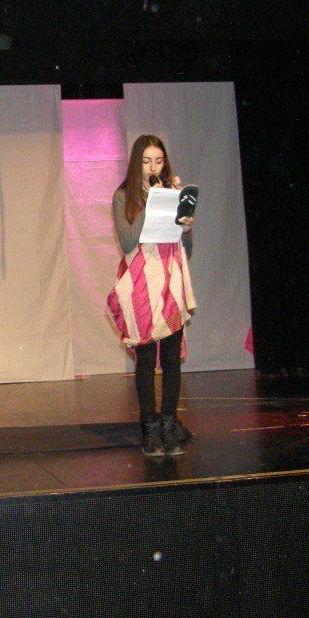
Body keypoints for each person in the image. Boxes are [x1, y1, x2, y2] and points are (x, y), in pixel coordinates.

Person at [107, 135, 196, 457]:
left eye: (158, 161)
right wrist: (153, 203)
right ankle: (150, 427)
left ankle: (169, 424)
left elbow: (186, 250)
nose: (153, 167)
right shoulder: (123, 196)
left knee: (171, 359)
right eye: (146, 162)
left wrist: (186, 229)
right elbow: (128, 241)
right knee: (146, 359)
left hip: (170, 279)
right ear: (136, 164)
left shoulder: (174, 193)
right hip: (141, 282)